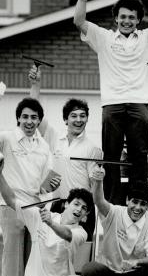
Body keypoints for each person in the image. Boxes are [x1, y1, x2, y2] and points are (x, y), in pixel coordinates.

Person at [74, 0, 148, 204]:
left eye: (131, 17)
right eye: (123, 17)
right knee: (111, 155)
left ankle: (138, 199)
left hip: (140, 103)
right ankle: (110, 201)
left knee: (140, 154)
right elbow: (79, 20)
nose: (127, 21)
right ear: (116, 18)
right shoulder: (104, 37)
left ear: (138, 19)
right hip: (112, 104)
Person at [0, 89, 55, 276]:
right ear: (18, 118)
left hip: (35, 209)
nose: (29, 121)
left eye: (34, 117)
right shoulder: (6, 138)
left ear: (39, 120)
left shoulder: (43, 146)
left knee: (32, 266)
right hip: (11, 205)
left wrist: (47, 208)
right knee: (13, 266)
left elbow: (47, 182)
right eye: (25, 117)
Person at [29, 65, 101, 239]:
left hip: (81, 209)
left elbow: (95, 186)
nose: (78, 119)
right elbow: (34, 112)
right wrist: (35, 86)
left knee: (80, 259)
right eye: (74, 116)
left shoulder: (93, 148)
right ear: (65, 119)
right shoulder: (54, 138)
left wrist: (88, 211)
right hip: (57, 205)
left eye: (82, 116)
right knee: (53, 251)